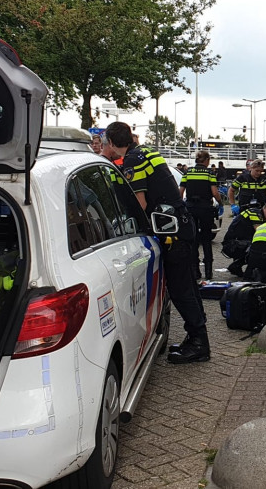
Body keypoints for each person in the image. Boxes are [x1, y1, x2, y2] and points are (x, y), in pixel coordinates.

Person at [104, 122, 209, 365]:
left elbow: (140, 203)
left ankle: (199, 343)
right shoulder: (146, 152)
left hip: (172, 233)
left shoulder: (132, 161)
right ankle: (197, 338)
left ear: (111, 142)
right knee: (189, 288)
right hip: (181, 225)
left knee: (182, 291)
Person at [180, 150, 222, 281]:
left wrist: (182, 207)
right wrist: (220, 202)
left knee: (194, 240)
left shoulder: (188, 172)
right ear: (207, 161)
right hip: (205, 208)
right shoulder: (210, 173)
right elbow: (214, 192)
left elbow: (180, 192)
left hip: (191, 208)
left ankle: (195, 271)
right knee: (206, 239)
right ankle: (208, 272)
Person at [222, 200, 266, 276]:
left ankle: (238, 266)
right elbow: (260, 232)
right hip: (232, 244)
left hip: (238, 243)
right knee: (258, 248)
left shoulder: (259, 214)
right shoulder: (255, 214)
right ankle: (242, 268)